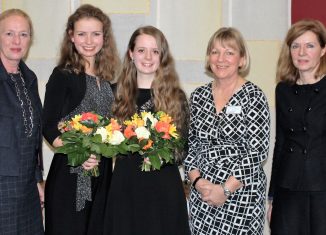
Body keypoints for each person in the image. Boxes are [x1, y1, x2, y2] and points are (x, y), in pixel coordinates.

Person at [104, 25, 191, 235]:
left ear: (163, 57)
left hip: (162, 189)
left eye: (155, 51)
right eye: (141, 50)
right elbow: (104, 143)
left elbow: (182, 149)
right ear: (131, 53)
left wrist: (158, 152)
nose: (148, 57)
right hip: (125, 187)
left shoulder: (176, 97)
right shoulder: (113, 93)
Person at [184, 27, 271, 235]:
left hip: (241, 196)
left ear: (241, 59)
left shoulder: (254, 96)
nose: (221, 58)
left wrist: (224, 190)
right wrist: (197, 182)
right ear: (208, 57)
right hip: (202, 196)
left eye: (229, 52)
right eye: (215, 52)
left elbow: (257, 152)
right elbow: (190, 146)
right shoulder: (198, 96)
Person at [42, 4, 120, 235]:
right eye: (82, 33)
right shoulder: (62, 75)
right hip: (69, 174)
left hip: (102, 174)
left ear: (104, 37)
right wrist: (81, 154)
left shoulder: (108, 80)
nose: (89, 40)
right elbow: (48, 127)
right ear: (71, 36)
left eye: (95, 34)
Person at [268, 19, 326, 234]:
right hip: (288, 189)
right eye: (295, 46)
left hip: (322, 189)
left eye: (310, 46)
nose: (302, 52)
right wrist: (272, 197)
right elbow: (280, 144)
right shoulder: (283, 90)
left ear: (322, 50)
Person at [0, 9, 44, 234]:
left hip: (28, 188)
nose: (16, 41)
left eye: (23, 34)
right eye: (9, 34)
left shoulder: (30, 78)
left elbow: (35, 136)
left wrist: (38, 179)